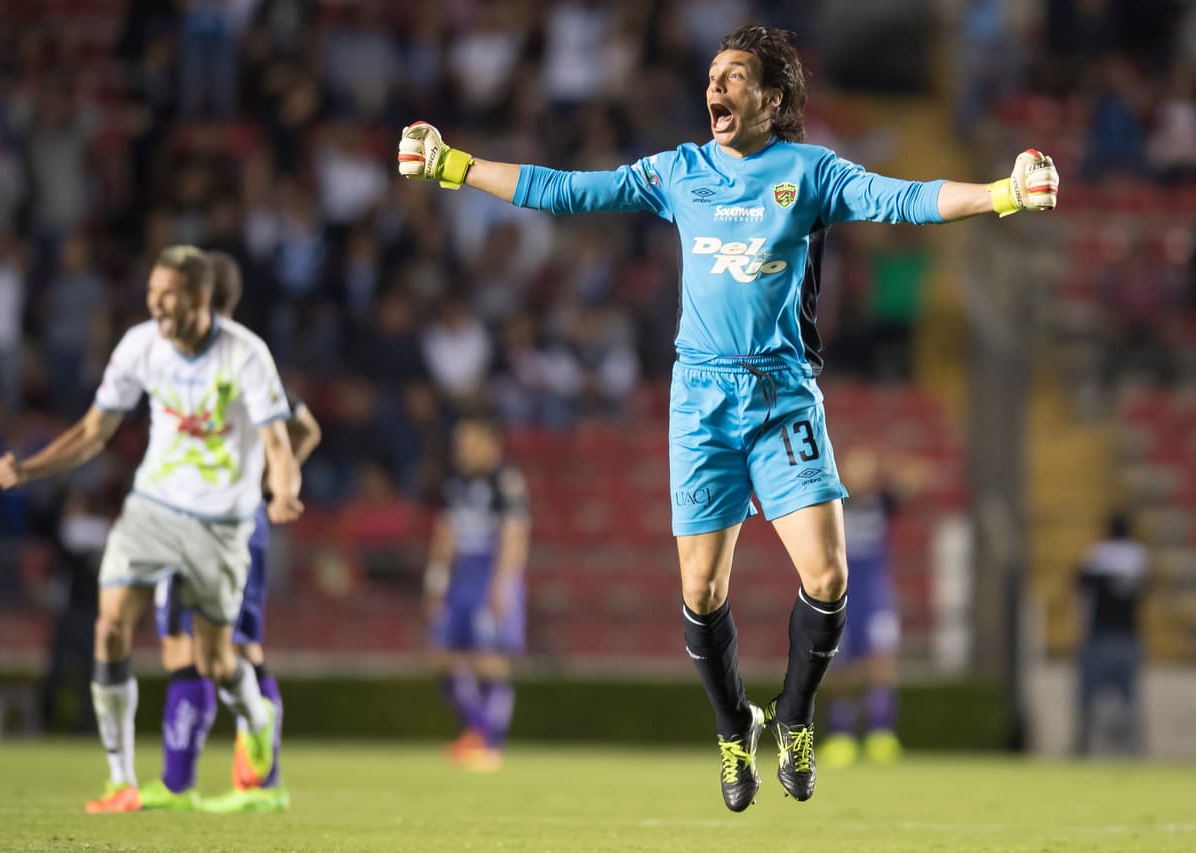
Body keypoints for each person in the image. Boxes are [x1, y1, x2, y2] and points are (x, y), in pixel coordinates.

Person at [398, 24, 1059, 810]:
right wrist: (455, 165)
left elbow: (905, 200)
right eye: (713, 75)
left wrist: (1003, 193)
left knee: (829, 574)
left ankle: (796, 715)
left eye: (735, 76)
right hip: (701, 401)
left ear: (772, 99)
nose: (716, 86)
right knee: (703, 589)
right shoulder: (681, 171)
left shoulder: (809, 172)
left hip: (783, 395)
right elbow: (568, 190)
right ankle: (732, 725)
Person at [0, 245, 303, 813]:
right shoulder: (139, 345)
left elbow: (282, 440)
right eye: (152, 292)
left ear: (201, 299)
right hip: (152, 509)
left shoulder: (245, 353)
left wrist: (283, 491)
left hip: (221, 524)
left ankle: (257, 718)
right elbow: (93, 431)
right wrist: (30, 468)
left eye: (168, 295)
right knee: (110, 625)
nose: (154, 304)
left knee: (216, 661)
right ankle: (121, 779)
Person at [141, 251, 321, 813]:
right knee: (238, 646)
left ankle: (187, 784)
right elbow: (305, 428)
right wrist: (272, 483)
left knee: (189, 647)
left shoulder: (232, 359)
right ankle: (255, 783)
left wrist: (271, 484)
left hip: (212, 520)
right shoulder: (242, 356)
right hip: (228, 520)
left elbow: (301, 431)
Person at [424, 414, 530, 772]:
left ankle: (490, 744)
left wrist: (503, 584)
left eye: (468, 443)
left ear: (489, 443)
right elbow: (445, 532)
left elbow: (514, 533)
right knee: (442, 657)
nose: (461, 450)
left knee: (489, 658)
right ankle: (478, 730)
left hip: (490, 572)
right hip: (461, 575)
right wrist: (436, 581)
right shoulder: (455, 482)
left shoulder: (505, 480)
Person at [816, 447, 928, 768]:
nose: (859, 475)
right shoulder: (832, 504)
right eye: (854, 468)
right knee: (839, 668)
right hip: (841, 597)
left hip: (876, 597)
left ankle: (881, 735)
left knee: (881, 662)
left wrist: (889, 462)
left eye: (865, 469)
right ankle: (841, 736)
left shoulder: (882, 502)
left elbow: (918, 475)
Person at [1074, 511, 1149, 755]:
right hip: (1128, 638)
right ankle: (1133, 750)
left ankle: (1082, 747)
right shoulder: (1139, 556)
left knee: (1087, 699)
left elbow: (1081, 592)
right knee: (1129, 700)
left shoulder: (1097, 555)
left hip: (1100, 637)